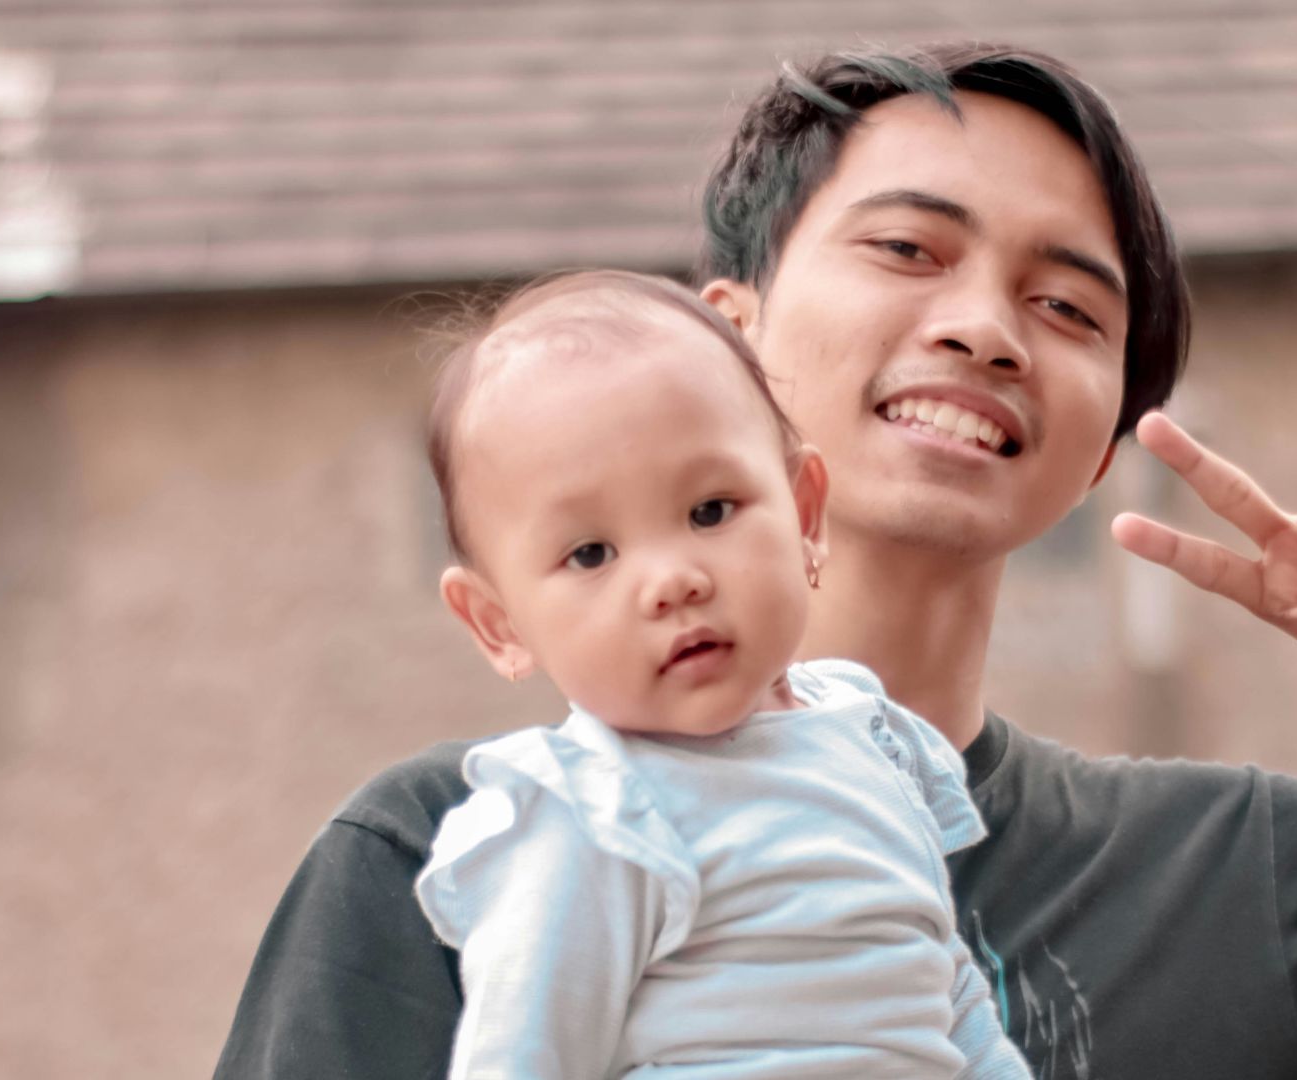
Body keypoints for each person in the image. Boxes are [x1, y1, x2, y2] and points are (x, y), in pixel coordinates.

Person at [215, 43, 1297, 1079]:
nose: (985, 325)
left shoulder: (1252, 881)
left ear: (1107, 435)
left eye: (1070, 309)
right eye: (908, 250)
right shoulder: (459, 849)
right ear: (734, 334)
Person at [409, 268, 1028, 1078]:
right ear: (500, 623)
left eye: (710, 512)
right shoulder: (592, 810)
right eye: (591, 553)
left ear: (805, 516)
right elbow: (523, 1059)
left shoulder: (871, 742)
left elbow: (944, 991)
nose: (673, 581)